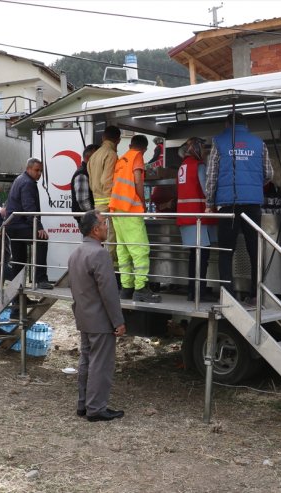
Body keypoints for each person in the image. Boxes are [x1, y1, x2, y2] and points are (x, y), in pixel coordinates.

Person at [205, 112, 273, 305]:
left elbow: (212, 175)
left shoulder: (218, 142)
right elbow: (269, 173)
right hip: (252, 204)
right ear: (246, 124)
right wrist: (253, 184)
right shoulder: (259, 143)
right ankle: (255, 294)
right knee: (254, 249)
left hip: (228, 205)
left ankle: (228, 295)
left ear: (227, 124)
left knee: (227, 250)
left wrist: (210, 201)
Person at [68, 210, 126, 422]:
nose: (106, 226)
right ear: (95, 229)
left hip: (84, 316)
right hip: (101, 320)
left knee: (86, 361)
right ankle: (96, 408)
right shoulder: (100, 254)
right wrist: (118, 321)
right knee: (100, 364)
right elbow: (109, 292)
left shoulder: (76, 253)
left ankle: (83, 404)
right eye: (104, 223)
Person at [109, 134, 161, 303]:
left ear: (130, 144)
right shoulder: (137, 157)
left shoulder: (122, 159)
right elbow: (138, 179)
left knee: (123, 251)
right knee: (140, 250)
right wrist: (143, 201)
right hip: (130, 209)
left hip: (116, 209)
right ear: (144, 149)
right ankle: (140, 288)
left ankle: (126, 288)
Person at [176, 137, 218, 302]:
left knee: (194, 256)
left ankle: (191, 291)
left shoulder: (182, 167)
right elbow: (206, 188)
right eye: (203, 148)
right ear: (196, 148)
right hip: (199, 217)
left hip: (186, 216)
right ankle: (200, 292)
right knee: (203, 257)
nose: (205, 152)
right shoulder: (198, 166)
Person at [5, 158, 53, 290]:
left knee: (19, 258)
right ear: (28, 169)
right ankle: (40, 279)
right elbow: (29, 207)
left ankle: (18, 293)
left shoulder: (20, 179)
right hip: (19, 223)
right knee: (42, 239)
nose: (39, 174)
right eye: (37, 170)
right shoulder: (27, 183)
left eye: (41, 171)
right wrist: (39, 227)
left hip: (13, 224)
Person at [87, 126, 121, 266]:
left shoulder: (94, 155)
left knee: (97, 239)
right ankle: (112, 272)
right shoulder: (111, 155)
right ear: (118, 140)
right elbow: (106, 182)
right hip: (108, 205)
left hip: (97, 204)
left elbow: (91, 182)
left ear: (103, 138)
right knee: (111, 240)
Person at [71, 144, 100, 224]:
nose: (99, 160)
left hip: (89, 218)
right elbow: (83, 201)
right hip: (88, 219)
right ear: (88, 158)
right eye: (96, 157)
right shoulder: (82, 174)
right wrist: (96, 215)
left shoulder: (87, 172)